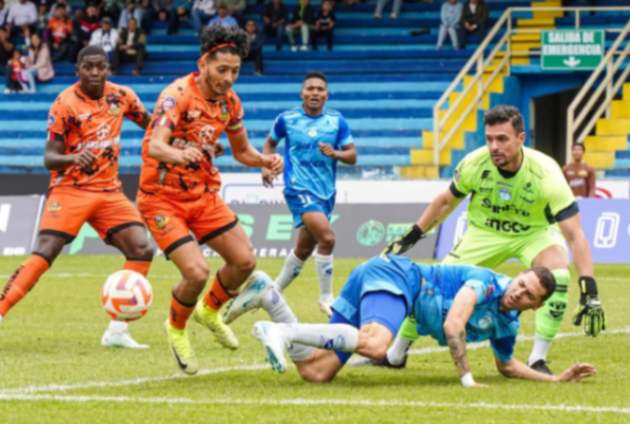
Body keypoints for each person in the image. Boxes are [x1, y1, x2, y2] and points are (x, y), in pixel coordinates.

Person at [384, 105, 606, 375]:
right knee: (432, 284)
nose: (494, 146)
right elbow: (445, 202)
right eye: (489, 139)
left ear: (521, 139)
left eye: (502, 139)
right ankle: (396, 354)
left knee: (558, 275)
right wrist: (414, 234)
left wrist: (589, 288)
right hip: (484, 233)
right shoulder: (475, 163)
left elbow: (574, 233)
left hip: (533, 233)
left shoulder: (546, 173)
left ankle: (538, 359)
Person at [0, 45, 154, 353]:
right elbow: (49, 158)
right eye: (88, 67)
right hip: (70, 190)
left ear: (107, 69)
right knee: (45, 252)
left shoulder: (122, 96)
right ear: (77, 69)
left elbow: (151, 125)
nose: (95, 73)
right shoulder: (64, 104)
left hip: (109, 192)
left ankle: (117, 330)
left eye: (100, 67)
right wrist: (72, 158)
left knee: (142, 248)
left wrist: (181, 142)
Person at [136, 24, 283, 375]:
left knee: (245, 261)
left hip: (203, 195)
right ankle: (176, 327)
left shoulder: (230, 103)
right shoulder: (178, 95)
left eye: (235, 71)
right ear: (204, 63)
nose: (229, 78)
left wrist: (265, 161)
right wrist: (177, 154)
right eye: (222, 70)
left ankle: (209, 310)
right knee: (196, 271)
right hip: (162, 198)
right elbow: (156, 145)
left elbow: (242, 151)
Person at [241, 256, 595, 387]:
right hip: (396, 276)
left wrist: (555, 378)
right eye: (521, 284)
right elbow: (453, 325)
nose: (519, 293)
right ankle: (283, 332)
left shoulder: (508, 323)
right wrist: (467, 379)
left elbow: (507, 365)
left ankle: (271, 299)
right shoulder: (485, 281)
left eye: (529, 295)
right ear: (515, 276)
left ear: (536, 305)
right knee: (377, 344)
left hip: (381, 281)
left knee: (315, 373)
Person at [248, 71, 356, 316]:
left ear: (327, 95)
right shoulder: (286, 119)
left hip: (325, 192)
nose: (315, 93)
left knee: (304, 250)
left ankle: (271, 291)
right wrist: (266, 165)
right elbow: (269, 144)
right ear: (302, 93)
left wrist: (335, 153)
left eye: (320, 89)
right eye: (310, 89)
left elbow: (352, 155)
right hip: (298, 189)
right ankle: (327, 298)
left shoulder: (337, 121)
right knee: (327, 239)